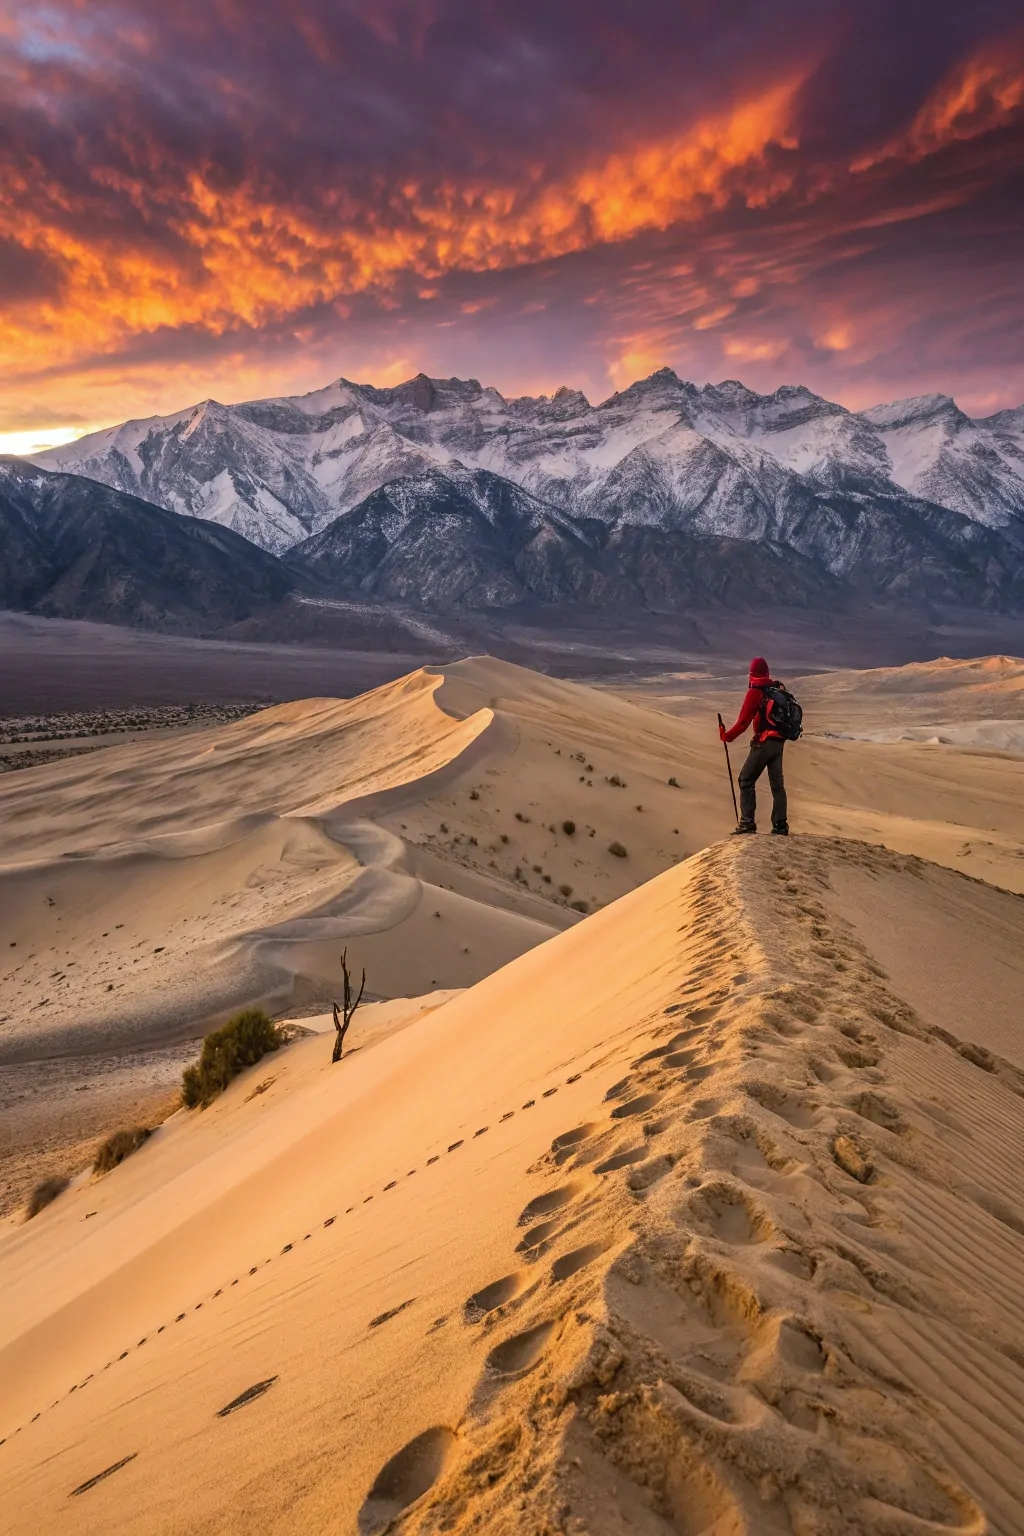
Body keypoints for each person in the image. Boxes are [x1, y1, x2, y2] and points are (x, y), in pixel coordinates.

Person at [719, 657, 789, 835]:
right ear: (767, 672)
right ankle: (780, 826)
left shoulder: (756, 691)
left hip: (764, 742)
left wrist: (727, 736)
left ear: (751, 674)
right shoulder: (775, 689)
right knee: (777, 786)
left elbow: (743, 722)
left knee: (745, 780)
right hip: (779, 742)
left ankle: (747, 823)